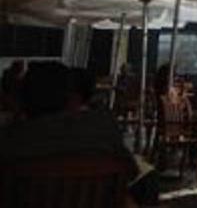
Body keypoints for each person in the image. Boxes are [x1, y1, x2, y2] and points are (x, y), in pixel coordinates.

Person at [0, 62, 152, 205]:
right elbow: (133, 173)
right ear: (72, 99)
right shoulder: (105, 134)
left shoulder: (12, 141)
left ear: (23, 100)